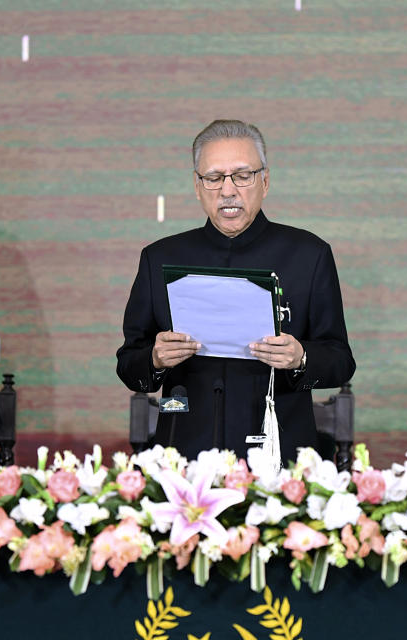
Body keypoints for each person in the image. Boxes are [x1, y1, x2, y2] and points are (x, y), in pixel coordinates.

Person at [116, 119, 355, 463]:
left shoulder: (309, 255)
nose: (228, 190)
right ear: (198, 187)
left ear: (265, 181)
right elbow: (129, 365)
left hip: (280, 455)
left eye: (242, 176)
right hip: (185, 455)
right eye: (213, 178)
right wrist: (154, 359)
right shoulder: (160, 258)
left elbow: (341, 361)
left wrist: (300, 357)